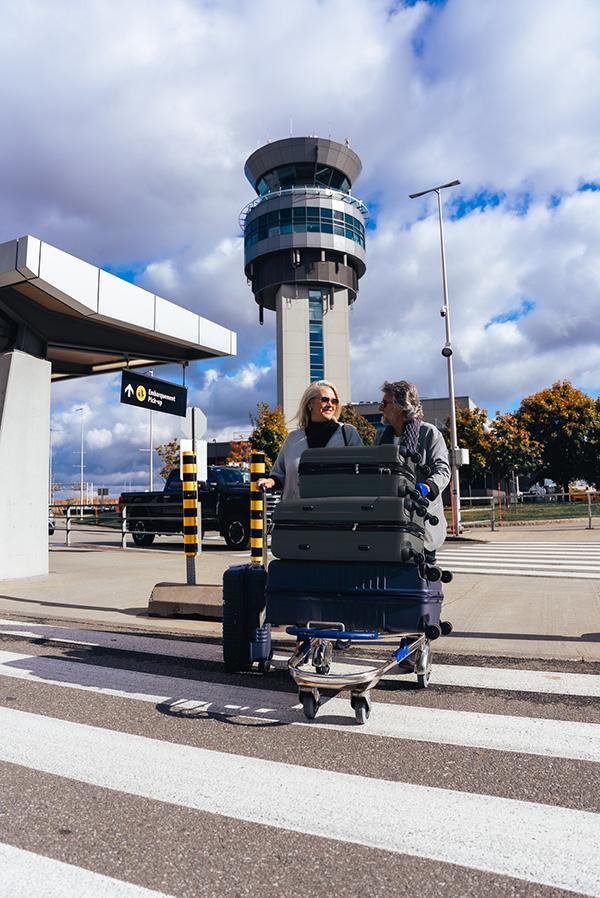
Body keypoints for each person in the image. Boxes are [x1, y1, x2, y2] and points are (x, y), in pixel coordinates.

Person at [378, 380, 450, 556]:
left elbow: (442, 470)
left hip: (423, 526)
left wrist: (426, 487)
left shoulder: (429, 433)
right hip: (391, 526)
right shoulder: (381, 437)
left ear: (402, 406)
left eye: (385, 403)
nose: (380, 408)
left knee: (422, 581)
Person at [257, 380, 362, 500]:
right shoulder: (293, 439)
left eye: (334, 401)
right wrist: (269, 481)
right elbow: (279, 475)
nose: (330, 404)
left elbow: (363, 473)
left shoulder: (348, 434)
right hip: (297, 513)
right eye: (325, 400)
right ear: (309, 404)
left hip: (335, 513)